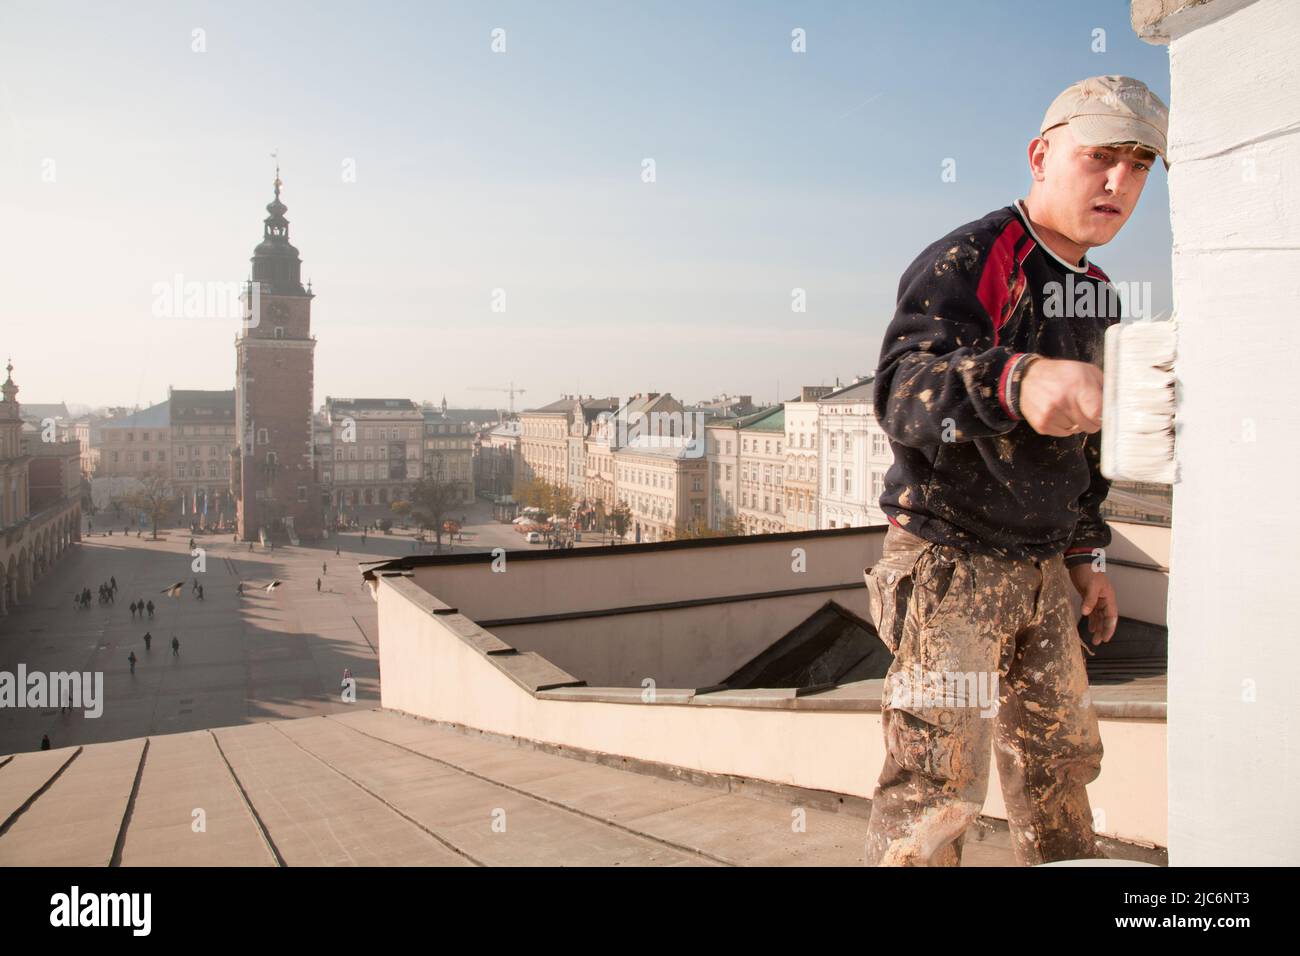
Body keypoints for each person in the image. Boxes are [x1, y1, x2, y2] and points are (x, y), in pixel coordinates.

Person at [862, 76, 1166, 868]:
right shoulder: (974, 257)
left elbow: (1081, 453)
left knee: (1060, 773)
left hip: (1039, 572)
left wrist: (1085, 558)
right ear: (1041, 155)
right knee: (936, 795)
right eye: (1100, 157)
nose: (1119, 183)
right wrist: (1017, 382)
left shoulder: (1097, 295)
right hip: (949, 564)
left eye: (1140, 167)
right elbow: (902, 392)